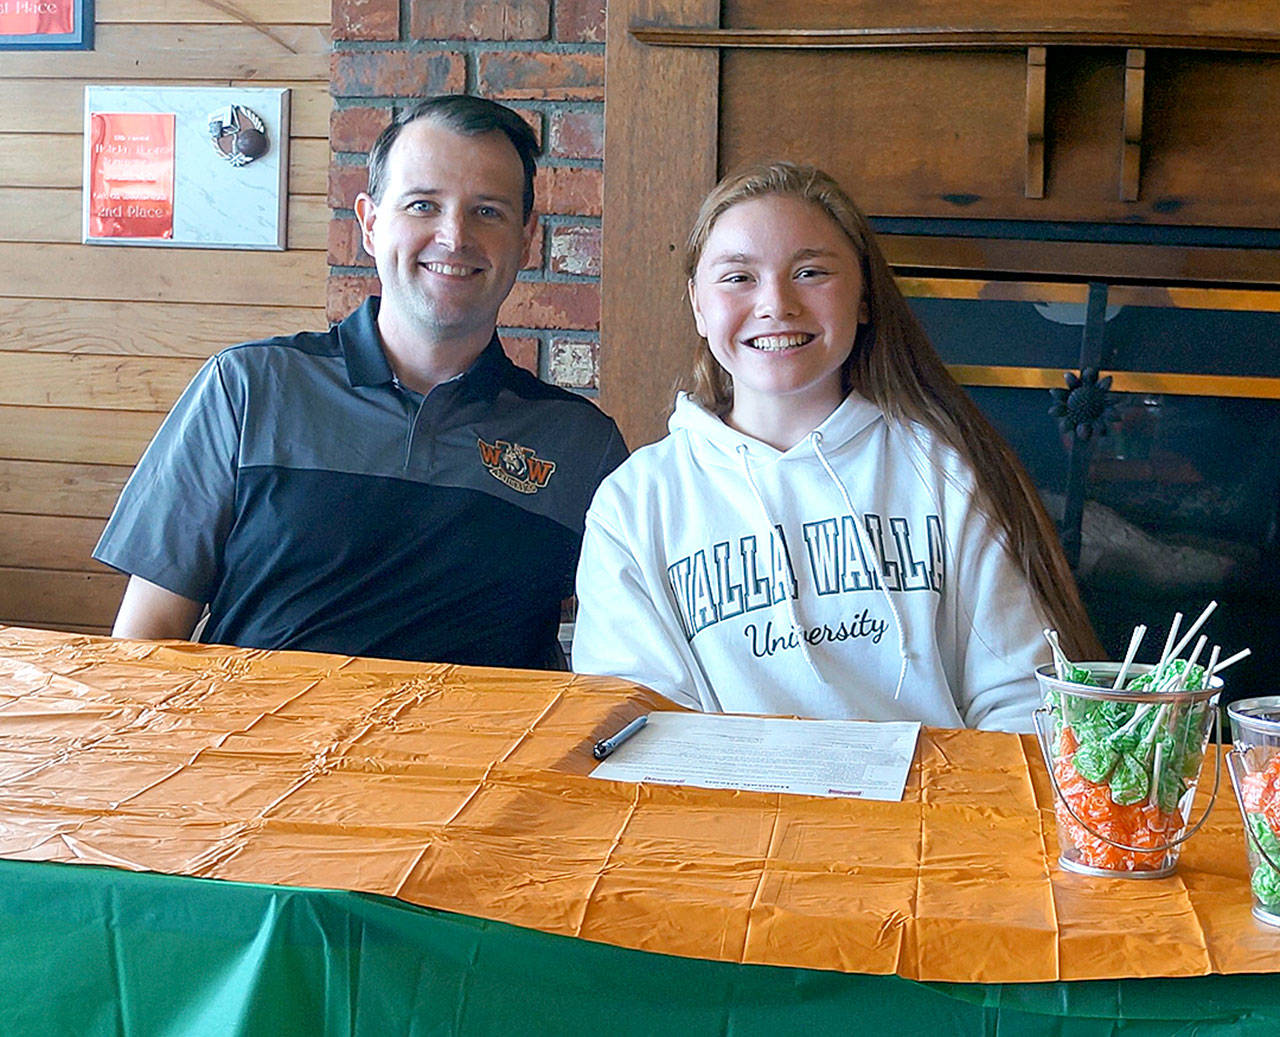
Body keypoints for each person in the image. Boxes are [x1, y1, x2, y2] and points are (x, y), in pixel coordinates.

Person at [94, 94, 627, 669]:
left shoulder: (583, 446)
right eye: (423, 205)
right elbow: (145, 642)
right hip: (259, 754)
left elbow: (626, 656)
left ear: (526, 239)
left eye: (488, 211)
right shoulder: (247, 388)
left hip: (476, 760)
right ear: (370, 225)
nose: (454, 236)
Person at [572, 162, 1100, 731]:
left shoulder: (941, 469)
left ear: (865, 298)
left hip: (928, 812)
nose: (776, 303)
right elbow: (635, 723)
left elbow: (1024, 700)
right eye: (738, 277)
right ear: (699, 305)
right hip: (732, 815)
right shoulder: (635, 502)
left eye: (811, 272)